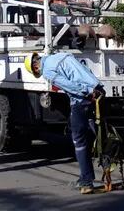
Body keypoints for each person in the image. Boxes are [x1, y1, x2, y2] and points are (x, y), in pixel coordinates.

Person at [26, 52, 104, 194]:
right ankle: (103, 173)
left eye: (37, 72)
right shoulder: (60, 55)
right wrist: (95, 89)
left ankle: (86, 182)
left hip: (83, 99)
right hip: (97, 89)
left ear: (36, 67)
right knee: (97, 134)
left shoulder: (48, 71)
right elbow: (84, 70)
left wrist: (87, 91)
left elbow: (68, 85)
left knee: (79, 141)